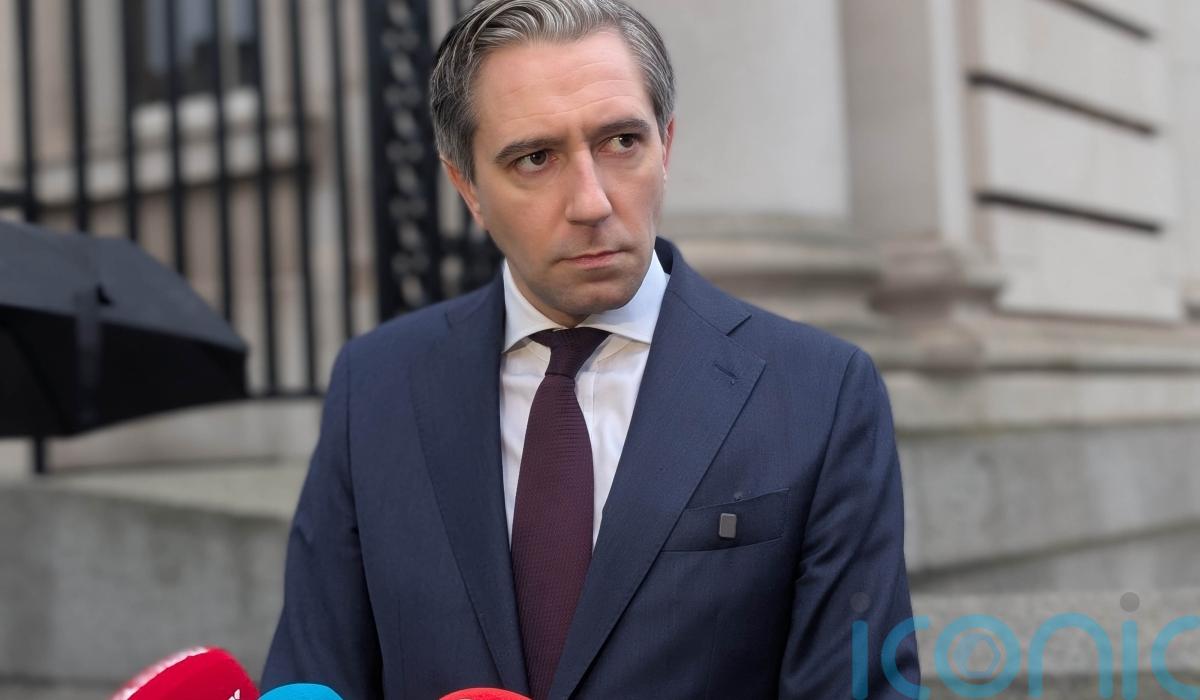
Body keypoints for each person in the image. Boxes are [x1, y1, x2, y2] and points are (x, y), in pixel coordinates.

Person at [262, 0, 920, 697]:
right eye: (535, 158)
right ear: (467, 188)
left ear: (666, 147)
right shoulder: (376, 386)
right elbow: (313, 672)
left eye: (621, 142)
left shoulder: (819, 392)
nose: (592, 202)